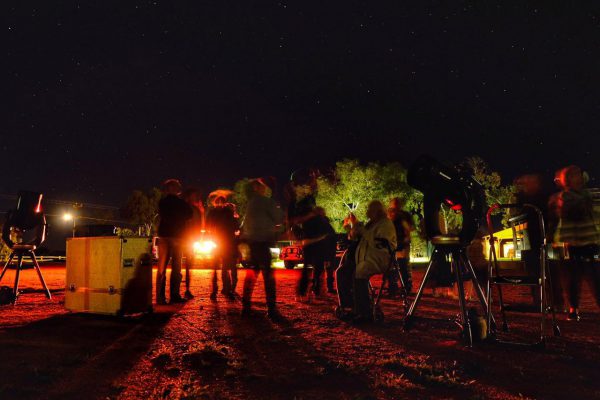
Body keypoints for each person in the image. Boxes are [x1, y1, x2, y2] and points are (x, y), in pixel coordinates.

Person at [336, 201, 397, 323]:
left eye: (370, 209)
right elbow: (356, 237)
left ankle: (364, 312)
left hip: (378, 259)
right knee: (342, 272)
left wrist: (362, 230)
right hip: (364, 258)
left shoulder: (385, 224)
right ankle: (349, 306)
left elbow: (378, 242)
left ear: (377, 211)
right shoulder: (371, 224)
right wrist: (353, 227)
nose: (367, 211)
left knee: (360, 271)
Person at [554, 165, 600, 321]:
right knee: (574, 279)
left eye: (579, 174)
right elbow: (569, 214)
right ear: (567, 179)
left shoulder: (587, 194)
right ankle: (573, 308)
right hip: (574, 242)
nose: (578, 178)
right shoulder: (566, 196)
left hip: (590, 240)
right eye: (574, 175)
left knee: (596, 276)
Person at [240, 178, 284, 320]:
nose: (265, 188)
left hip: (252, 243)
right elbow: (279, 218)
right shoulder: (266, 202)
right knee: (268, 276)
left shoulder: (250, 204)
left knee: (251, 275)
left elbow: (244, 225)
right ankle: (271, 309)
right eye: (262, 186)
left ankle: (246, 307)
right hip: (263, 242)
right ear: (256, 188)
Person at [156, 179, 193, 305]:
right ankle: (174, 295)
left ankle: (160, 298)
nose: (178, 188)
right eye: (177, 187)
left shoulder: (162, 202)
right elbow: (190, 215)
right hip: (177, 236)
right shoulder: (182, 203)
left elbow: (164, 216)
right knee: (176, 267)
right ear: (174, 189)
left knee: (162, 268)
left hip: (165, 235)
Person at [206, 195, 240, 300]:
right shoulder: (227, 212)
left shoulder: (213, 213)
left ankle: (218, 290)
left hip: (219, 241)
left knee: (218, 266)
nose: (220, 204)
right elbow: (236, 227)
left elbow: (208, 226)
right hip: (225, 241)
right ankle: (225, 289)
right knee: (224, 266)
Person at [387, 197, 415, 294]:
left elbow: (411, 227)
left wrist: (407, 235)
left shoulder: (405, 215)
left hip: (403, 244)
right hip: (391, 244)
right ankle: (393, 287)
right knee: (391, 266)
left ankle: (406, 287)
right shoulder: (388, 215)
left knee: (403, 266)